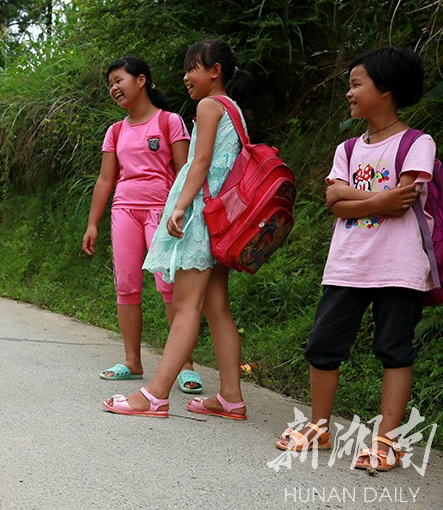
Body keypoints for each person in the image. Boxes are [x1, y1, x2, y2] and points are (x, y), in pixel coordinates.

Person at [274, 47, 435, 472]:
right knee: (323, 346)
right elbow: (333, 200)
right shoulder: (347, 148)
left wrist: (358, 198)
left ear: (386, 90)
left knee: (393, 349)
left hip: (399, 267)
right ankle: (319, 425)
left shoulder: (417, 142)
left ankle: (387, 441)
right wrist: (378, 198)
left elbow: (402, 202)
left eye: (356, 84)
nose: (349, 92)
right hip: (347, 265)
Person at [103, 39, 250, 419]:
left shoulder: (208, 105)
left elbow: (199, 163)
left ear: (215, 72)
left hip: (201, 218)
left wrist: (181, 206)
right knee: (218, 309)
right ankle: (231, 398)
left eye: (193, 68)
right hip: (224, 220)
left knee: (186, 306)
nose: (186, 77)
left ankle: (154, 395)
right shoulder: (234, 111)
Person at [82, 56, 197, 390]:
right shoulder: (116, 131)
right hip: (124, 212)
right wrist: (93, 223)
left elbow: (184, 172)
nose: (114, 88)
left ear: (142, 80)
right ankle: (132, 361)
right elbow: (106, 180)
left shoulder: (170, 122)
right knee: (127, 285)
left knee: (169, 285)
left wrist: (179, 210)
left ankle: (185, 365)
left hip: (162, 213)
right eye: (110, 84)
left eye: (119, 80)